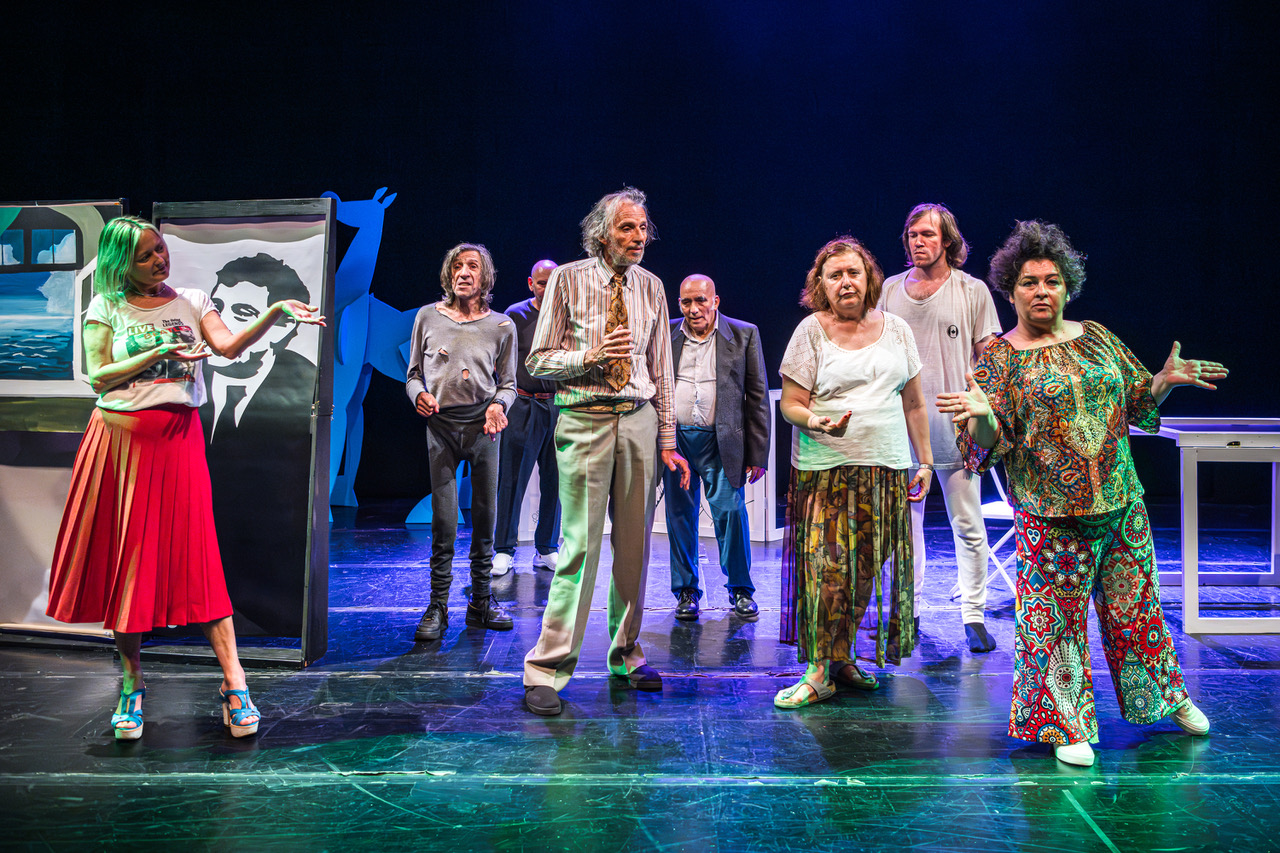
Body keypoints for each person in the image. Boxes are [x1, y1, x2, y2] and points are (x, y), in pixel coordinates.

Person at [937, 220, 1225, 767]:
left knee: (1137, 613)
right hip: (1051, 515)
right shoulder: (999, 359)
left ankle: (1167, 699)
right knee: (1054, 623)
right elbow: (986, 444)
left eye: (1052, 281)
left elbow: (1137, 400)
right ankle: (1062, 722)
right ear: (1010, 291)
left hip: (1121, 503)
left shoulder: (1096, 336)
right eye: (1028, 282)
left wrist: (1163, 381)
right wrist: (982, 416)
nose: (1041, 291)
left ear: (1067, 285)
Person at [44, 215, 325, 740]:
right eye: (147, 255)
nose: (160, 259)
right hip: (121, 442)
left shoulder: (193, 300)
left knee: (201, 559)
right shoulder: (106, 306)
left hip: (178, 441)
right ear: (121, 263)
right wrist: (157, 352)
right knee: (129, 564)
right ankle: (131, 685)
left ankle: (235, 682)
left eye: (160, 248)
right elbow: (99, 376)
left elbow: (228, 347)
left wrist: (275, 312)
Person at [521, 187, 690, 717]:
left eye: (642, 228)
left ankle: (626, 653)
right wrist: (589, 357)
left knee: (635, 547)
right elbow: (538, 360)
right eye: (627, 228)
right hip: (585, 418)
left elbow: (662, 370)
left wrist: (667, 439)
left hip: (638, 420)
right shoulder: (568, 280)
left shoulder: (652, 286)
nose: (638, 237)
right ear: (601, 233)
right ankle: (546, 667)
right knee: (579, 547)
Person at [775, 236, 932, 709]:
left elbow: (914, 403)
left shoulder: (897, 329)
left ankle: (841, 657)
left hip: (886, 468)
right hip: (826, 470)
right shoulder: (810, 331)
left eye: (853, 273)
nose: (846, 282)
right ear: (821, 285)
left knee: (865, 568)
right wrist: (815, 420)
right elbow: (790, 404)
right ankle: (818, 670)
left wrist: (924, 461)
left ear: (869, 279)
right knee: (827, 570)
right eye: (835, 275)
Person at [879, 204, 1001, 652]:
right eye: (912, 234)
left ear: (947, 240)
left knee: (967, 524)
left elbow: (990, 359)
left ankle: (974, 614)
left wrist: (982, 407)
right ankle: (906, 611)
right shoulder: (890, 290)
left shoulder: (971, 290)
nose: (918, 241)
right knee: (904, 529)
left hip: (954, 425)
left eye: (927, 234)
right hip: (900, 428)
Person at [200, 253, 318, 636]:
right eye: (217, 308)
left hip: (268, 603)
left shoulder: (307, 383)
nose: (222, 324)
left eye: (243, 312)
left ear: (281, 327)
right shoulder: (183, 377)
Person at [405, 243, 517, 642]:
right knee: (444, 521)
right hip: (441, 427)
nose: (463, 272)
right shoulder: (427, 317)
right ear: (448, 274)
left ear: (485, 277)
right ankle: (438, 604)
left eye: (472, 266)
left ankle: (481, 601)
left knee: (485, 517)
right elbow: (413, 375)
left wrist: (498, 405)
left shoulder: (502, 326)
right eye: (457, 265)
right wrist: (418, 395)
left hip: (484, 428)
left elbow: (508, 384)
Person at [664, 274, 769, 622]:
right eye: (686, 302)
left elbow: (757, 397)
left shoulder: (743, 334)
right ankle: (686, 591)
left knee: (730, 512)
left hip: (721, 442)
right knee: (679, 516)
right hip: (676, 441)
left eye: (701, 301)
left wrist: (758, 453)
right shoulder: (665, 332)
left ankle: (740, 588)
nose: (694, 309)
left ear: (715, 301)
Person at [491, 259, 563, 576]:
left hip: (557, 406)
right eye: (542, 282)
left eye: (553, 282)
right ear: (531, 284)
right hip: (523, 404)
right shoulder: (515, 314)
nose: (548, 288)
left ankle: (546, 548)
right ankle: (504, 549)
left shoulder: (568, 315)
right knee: (512, 480)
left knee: (555, 481)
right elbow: (499, 362)